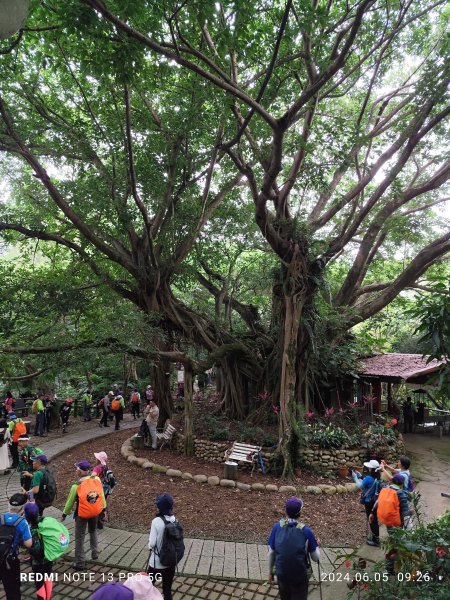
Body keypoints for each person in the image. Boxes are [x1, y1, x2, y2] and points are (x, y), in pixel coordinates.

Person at [267, 497, 320, 600]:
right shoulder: (306, 531)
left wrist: (270, 572)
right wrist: (317, 546)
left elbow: (271, 552)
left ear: (285, 511)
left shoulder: (277, 527)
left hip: (282, 573)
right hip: (299, 576)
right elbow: (316, 558)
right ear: (300, 513)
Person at [61, 460, 105, 570]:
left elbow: (70, 502)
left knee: (79, 537)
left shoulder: (76, 485)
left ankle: (80, 562)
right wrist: (103, 509)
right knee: (93, 531)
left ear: (80, 471)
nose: (76, 470)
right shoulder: (97, 479)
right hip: (95, 511)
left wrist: (64, 514)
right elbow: (101, 495)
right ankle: (95, 553)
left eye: (77, 469)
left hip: (81, 514)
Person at [370, 473, 413, 574]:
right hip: (397, 524)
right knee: (395, 545)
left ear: (392, 481)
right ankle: (389, 569)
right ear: (402, 484)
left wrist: (372, 513)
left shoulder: (385, 489)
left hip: (387, 521)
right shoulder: (400, 494)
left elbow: (377, 502)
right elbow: (405, 513)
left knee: (395, 543)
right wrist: (409, 529)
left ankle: (393, 563)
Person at [0, 493, 33, 600]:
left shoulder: (1, 517)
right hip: (10, 560)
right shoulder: (22, 522)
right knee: (12, 590)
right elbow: (29, 543)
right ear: (22, 508)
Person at [148, 493, 180, 600]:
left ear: (159, 507)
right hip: (170, 562)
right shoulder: (175, 520)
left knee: (148, 587)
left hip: (156, 564)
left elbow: (152, 543)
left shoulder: (156, 521)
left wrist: (149, 546)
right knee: (167, 590)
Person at [23, 503, 54, 600]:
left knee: (39, 583)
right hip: (49, 558)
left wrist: (28, 547)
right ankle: (48, 597)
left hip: (38, 562)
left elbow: (36, 550)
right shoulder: (45, 522)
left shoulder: (32, 530)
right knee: (48, 578)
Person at [352, 460, 383, 546]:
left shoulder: (369, 478)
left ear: (372, 469)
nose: (368, 467)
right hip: (374, 501)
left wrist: (355, 477)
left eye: (369, 467)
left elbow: (360, 486)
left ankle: (376, 541)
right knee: (374, 519)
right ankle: (375, 537)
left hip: (369, 502)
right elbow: (368, 482)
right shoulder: (377, 476)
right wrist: (360, 476)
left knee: (372, 520)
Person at [92, 451, 116, 530]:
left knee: (96, 504)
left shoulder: (97, 468)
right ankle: (103, 518)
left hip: (98, 489)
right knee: (103, 503)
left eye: (97, 458)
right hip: (106, 490)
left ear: (98, 460)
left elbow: (92, 477)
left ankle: (98, 523)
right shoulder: (106, 467)